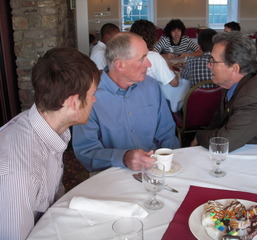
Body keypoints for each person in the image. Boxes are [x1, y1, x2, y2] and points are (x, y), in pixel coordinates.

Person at [0, 47, 100, 239]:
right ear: (73, 102)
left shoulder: (47, 128)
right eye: (91, 94)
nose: (94, 100)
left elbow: (52, 200)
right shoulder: (20, 174)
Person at [72, 32, 180, 172]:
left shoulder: (151, 86)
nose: (149, 64)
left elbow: (167, 134)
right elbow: (86, 152)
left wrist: (169, 164)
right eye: (142, 59)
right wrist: (123, 158)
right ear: (120, 65)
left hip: (155, 170)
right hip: (111, 174)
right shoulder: (90, 96)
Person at [191, 32, 257, 151]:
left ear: (234, 68)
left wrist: (199, 136)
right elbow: (219, 118)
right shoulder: (236, 80)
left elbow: (225, 142)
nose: (208, 65)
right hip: (245, 146)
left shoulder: (250, 98)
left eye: (213, 61)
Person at [130, 19, 178, 88]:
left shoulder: (126, 54)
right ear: (153, 37)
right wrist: (169, 65)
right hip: (150, 96)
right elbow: (175, 83)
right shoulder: (155, 57)